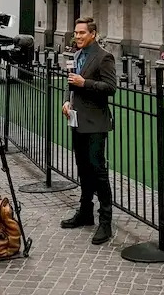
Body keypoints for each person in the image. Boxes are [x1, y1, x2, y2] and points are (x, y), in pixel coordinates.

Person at [61, 17, 117, 246]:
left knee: (98, 171)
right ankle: (85, 212)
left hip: (95, 124)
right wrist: (67, 101)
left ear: (93, 34)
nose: (78, 36)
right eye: (76, 33)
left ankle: (106, 221)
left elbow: (111, 88)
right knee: (83, 169)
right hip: (77, 122)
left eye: (82, 33)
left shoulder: (104, 57)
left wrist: (85, 83)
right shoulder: (76, 55)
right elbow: (70, 83)